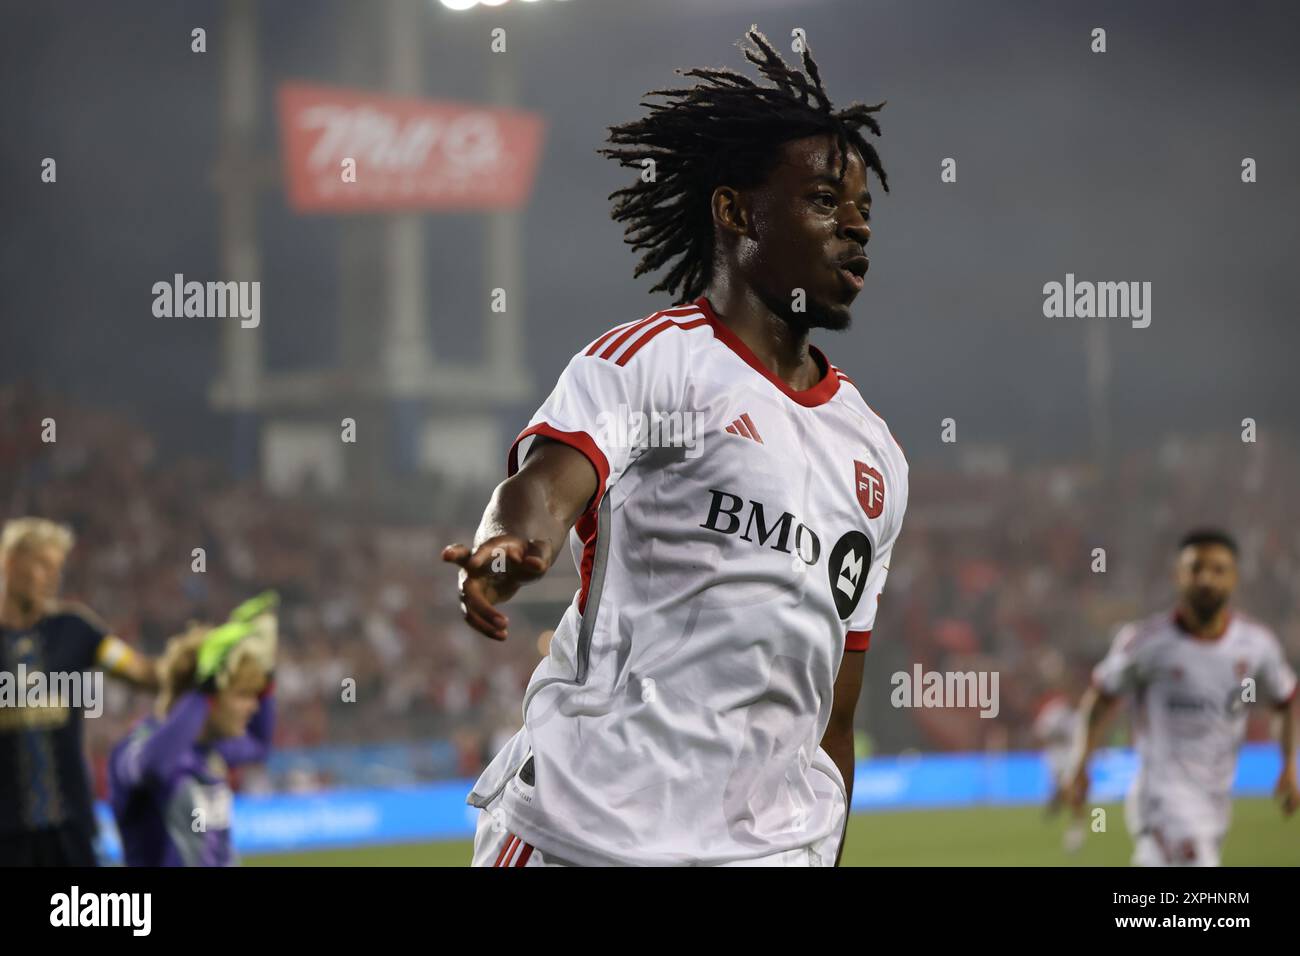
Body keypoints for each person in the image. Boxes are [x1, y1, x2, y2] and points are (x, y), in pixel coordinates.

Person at [443, 27, 907, 866]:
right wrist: (509, 548)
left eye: (864, 212)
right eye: (825, 202)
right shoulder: (655, 363)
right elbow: (545, 489)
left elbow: (833, 717)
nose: (856, 230)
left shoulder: (875, 456)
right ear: (735, 212)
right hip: (586, 835)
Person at [1060, 529, 1298, 866]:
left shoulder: (1257, 645)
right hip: (1162, 799)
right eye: (1196, 568)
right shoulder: (1145, 643)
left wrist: (1288, 766)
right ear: (1178, 575)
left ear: (1234, 578)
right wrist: (1080, 764)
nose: (1206, 579)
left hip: (1215, 802)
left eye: (1218, 570)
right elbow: (1101, 699)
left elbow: (1284, 700)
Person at [0, 517, 159, 866]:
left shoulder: (76, 629)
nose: (53, 579)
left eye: (57, 568)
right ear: (10, 561)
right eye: (43, 565)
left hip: (71, 829)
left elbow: (143, 673)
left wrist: (193, 661)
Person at [108, 593, 277, 866]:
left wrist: (268, 676)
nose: (253, 707)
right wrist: (204, 687)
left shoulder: (210, 748)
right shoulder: (137, 746)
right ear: (206, 694)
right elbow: (154, 766)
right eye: (243, 695)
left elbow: (260, 745)